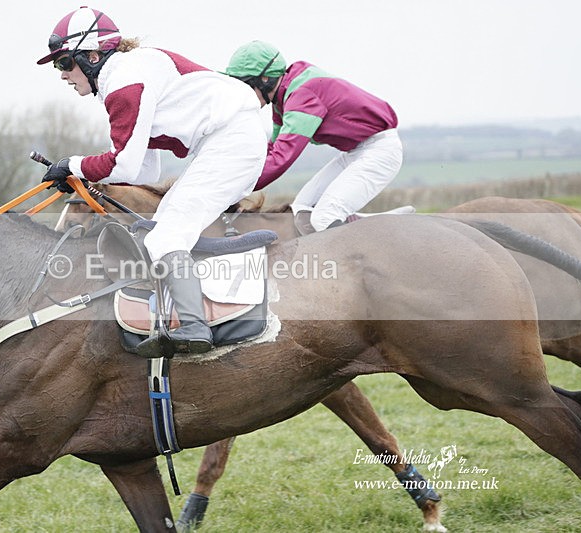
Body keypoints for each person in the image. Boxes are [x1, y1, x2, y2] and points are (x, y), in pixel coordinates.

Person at [36, 7, 266, 356]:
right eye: (58, 66)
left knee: (167, 236)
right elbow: (145, 172)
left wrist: (72, 165)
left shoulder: (124, 83)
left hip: (231, 142)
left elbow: (124, 166)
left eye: (65, 63)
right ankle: (179, 314)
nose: (63, 74)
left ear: (92, 56)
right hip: (229, 140)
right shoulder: (124, 76)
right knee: (157, 231)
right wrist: (82, 177)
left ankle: (194, 326)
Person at [224, 41, 403, 234]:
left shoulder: (303, 97)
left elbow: (280, 159)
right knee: (301, 212)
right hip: (357, 152)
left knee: (323, 217)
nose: (241, 96)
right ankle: (369, 224)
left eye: (245, 86)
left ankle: (376, 247)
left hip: (380, 151)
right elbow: (272, 149)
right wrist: (232, 178)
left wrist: (234, 189)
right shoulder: (285, 97)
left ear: (265, 79)